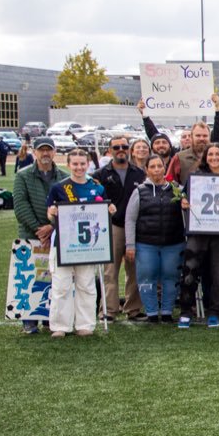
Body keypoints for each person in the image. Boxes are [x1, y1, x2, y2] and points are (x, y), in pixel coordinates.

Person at [44, 150, 111, 337]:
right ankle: (60, 326)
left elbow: (103, 212)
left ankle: (85, 324)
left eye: (82, 163)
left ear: (88, 164)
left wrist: (109, 209)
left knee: (86, 285)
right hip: (64, 244)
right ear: (68, 165)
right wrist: (52, 213)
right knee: (61, 286)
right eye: (75, 164)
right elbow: (49, 214)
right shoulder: (59, 187)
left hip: (87, 246)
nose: (79, 167)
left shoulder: (96, 187)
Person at [177, 144, 219, 329]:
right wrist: (184, 201)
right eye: (211, 154)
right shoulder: (196, 178)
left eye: (218, 154)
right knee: (190, 271)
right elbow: (185, 197)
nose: (214, 157)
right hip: (199, 230)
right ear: (206, 157)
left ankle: (214, 311)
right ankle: (186, 311)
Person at [12, 138, 66, 334]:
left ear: (54, 152)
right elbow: (20, 206)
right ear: (34, 152)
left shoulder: (64, 177)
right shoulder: (23, 176)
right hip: (30, 235)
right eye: (41, 150)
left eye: (48, 150)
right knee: (29, 279)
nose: (45, 154)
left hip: (55, 235)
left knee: (54, 279)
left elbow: (67, 207)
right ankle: (29, 321)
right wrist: (39, 229)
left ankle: (49, 318)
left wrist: (51, 227)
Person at [89, 136, 145, 321]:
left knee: (134, 271)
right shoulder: (100, 175)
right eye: (116, 147)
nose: (121, 149)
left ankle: (133, 309)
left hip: (135, 226)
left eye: (124, 146)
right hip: (111, 226)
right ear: (110, 150)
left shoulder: (139, 173)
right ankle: (109, 310)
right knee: (110, 271)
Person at [124, 154, 183, 323]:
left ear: (165, 168)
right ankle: (151, 312)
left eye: (160, 166)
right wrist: (130, 244)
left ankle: (166, 311)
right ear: (147, 170)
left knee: (171, 277)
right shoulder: (139, 191)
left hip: (173, 242)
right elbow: (130, 219)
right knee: (146, 276)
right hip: (146, 243)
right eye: (153, 167)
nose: (157, 169)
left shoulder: (176, 188)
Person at [139, 94, 219, 185]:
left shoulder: (217, 156)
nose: (201, 139)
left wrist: (217, 109)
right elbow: (169, 184)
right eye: (198, 135)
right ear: (192, 137)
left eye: (205, 136)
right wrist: (145, 117)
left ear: (209, 137)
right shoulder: (179, 158)